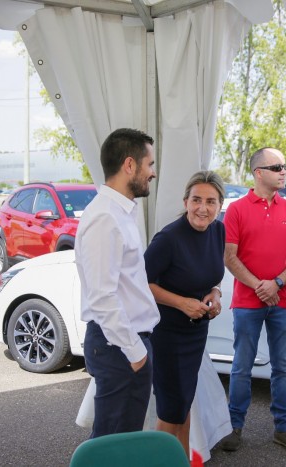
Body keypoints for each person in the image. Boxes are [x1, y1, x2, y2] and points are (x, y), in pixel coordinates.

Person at [218, 147, 286, 455]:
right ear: (258, 173)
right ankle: (234, 427)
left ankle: (284, 430)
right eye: (277, 167)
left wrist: (278, 283)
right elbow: (229, 257)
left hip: (283, 302)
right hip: (247, 302)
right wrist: (260, 286)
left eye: (285, 166)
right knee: (242, 367)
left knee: (283, 367)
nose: (284, 171)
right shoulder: (236, 210)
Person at [75, 128, 159, 438]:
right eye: (149, 164)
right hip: (119, 348)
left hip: (125, 345)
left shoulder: (120, 212)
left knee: (124, 442)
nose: (153, 173)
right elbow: (102, 298)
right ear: (129, 165)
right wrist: (136, 352)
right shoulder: (105, 218)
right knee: (112, 446)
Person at [144, 170, 226, 456]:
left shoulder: (218, 230)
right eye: (196, 200)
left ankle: (179, 460)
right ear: (185, 201)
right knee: (169, 411)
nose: (203, 208)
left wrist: (215, 295)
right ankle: (155, 462)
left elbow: (213, 276)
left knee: (184, 403)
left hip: (196, 333)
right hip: (166, 335)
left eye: (211, 201)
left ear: (219, 205)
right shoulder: (168, 238)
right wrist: (180, 303)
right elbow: (140, 284)